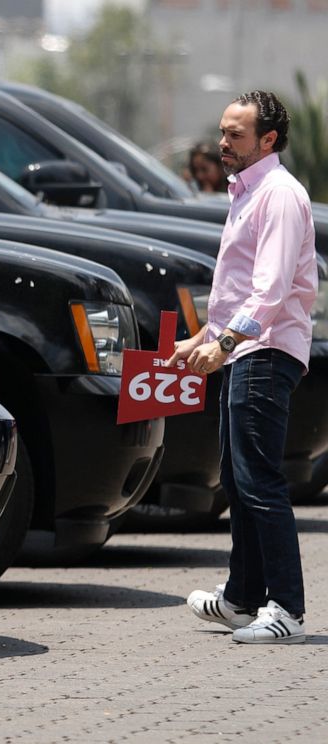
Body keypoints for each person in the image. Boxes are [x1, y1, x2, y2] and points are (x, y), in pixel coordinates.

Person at [166, 90, 318, 644]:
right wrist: (201, 338)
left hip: (264, 351)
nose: (223, 143)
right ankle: (241, 599)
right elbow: (241, 291)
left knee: (260, 481)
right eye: (224, 132)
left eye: (235, 135)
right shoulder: (249, 191)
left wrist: (224, 343)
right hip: (249, 347)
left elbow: (273, 290)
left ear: (268, 140)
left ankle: (287, 611)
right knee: (237, 477)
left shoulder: (278, 195)